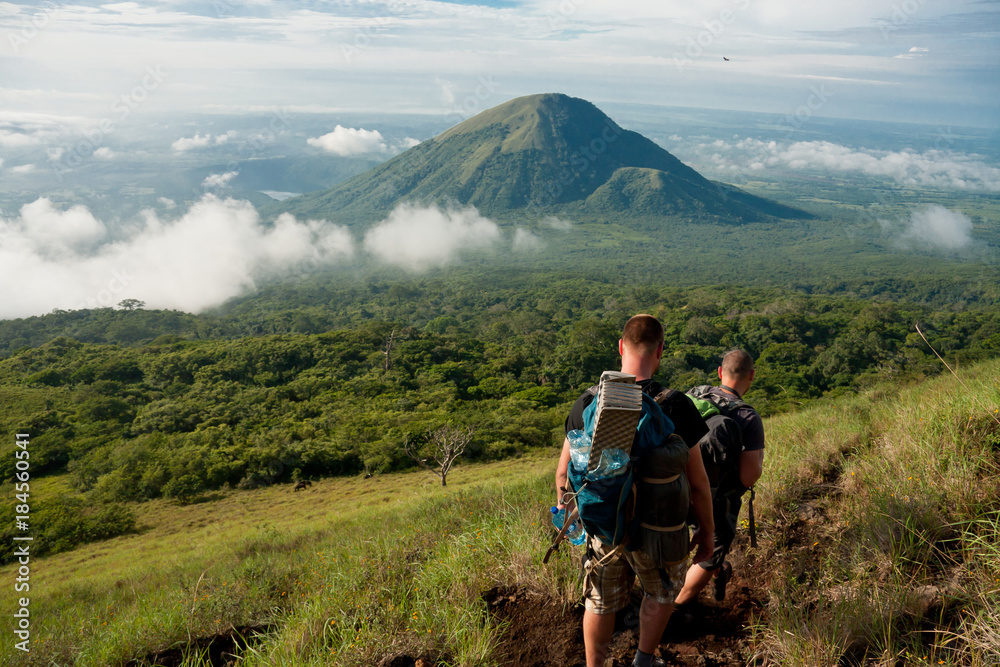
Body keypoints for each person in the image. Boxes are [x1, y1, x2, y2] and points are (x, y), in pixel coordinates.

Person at [555, 314, 715, 667]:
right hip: (659, 531)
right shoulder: (675, 406)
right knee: (660, 593)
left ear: (620, 347)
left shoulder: (587, 402)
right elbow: (699, 484)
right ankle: (644, 659)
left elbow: (563, 472)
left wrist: (572, 520)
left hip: (604, 524)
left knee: (599, 600)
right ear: (660, 350)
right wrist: (707, 531)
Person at [674, 349, 765, 608]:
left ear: (719, 373)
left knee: (690, 534)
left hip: (673, 486)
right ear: (752, 376)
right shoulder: (747, 416)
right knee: (711, 552)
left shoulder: (692, 395)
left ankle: (716, 574)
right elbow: (750, 474)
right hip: (715, 498)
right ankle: (674, 609)